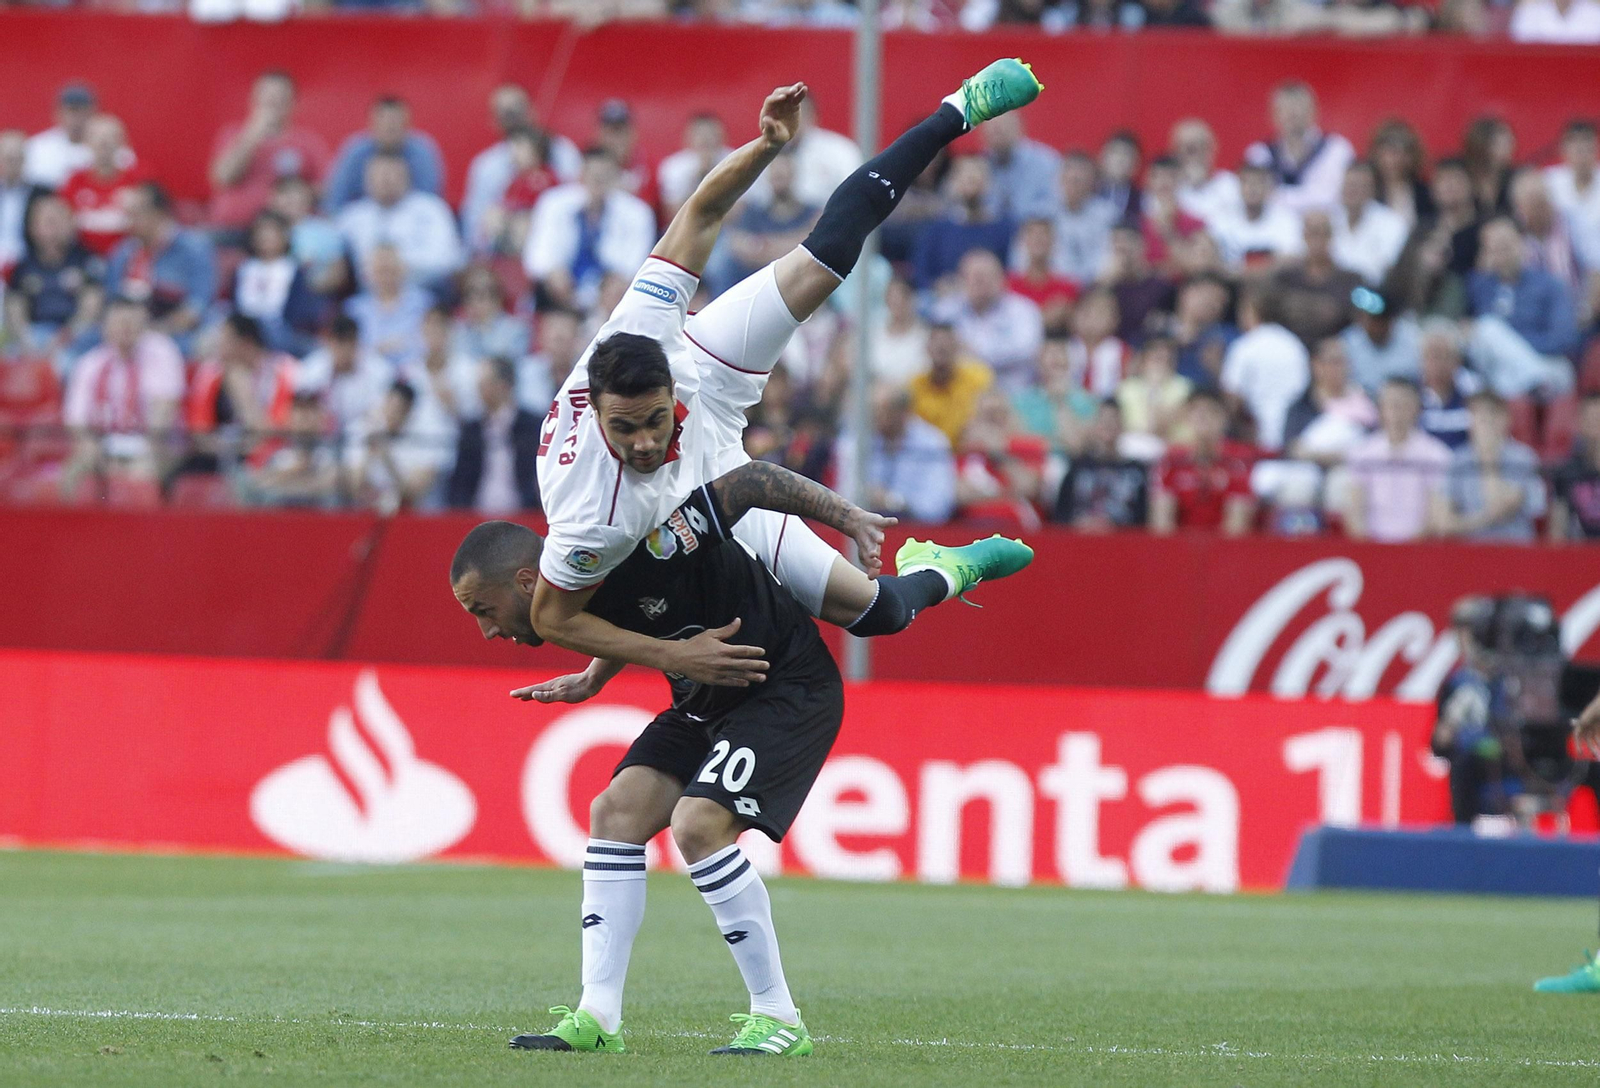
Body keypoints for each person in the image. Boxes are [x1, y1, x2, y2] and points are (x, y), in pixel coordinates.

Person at [531, 64, 1041, 705]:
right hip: (704, 485)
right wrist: (632, 665)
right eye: (623, 429)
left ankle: (957, 109)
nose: (640, 443)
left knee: (828, 256)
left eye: (650, 421)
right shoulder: (592, 512)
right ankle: (943, 567)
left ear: (663, 392)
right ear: (597, 416)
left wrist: (767, 144)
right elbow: (565, 612)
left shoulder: (644, 324)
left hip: (705, 375)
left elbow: (703, 209)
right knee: (879, 614)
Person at [448, 463, 890, 1058]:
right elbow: (624, 616)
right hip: (703, 697)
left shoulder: (643, 534)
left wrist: (848, 517)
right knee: (615, 813)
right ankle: (598, 1017)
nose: (485, 630)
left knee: (698, 824)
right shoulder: (578, 574)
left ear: (527, 580)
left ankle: (779, 1017)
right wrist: (595, 675)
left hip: (783, 686)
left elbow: (753, 480)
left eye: (483, 608)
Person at [60, 296, 184, 496]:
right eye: (120, 323)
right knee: (72, 474)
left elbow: (164, 411)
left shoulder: (162, 353)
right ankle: (70, 527)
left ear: (143, 325)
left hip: (153, 445)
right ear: (105, 326)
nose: (126, 329)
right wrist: (91, 447)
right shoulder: (89, 364)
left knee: (140, 476)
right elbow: (76, 420)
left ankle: (140, 526)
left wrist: (143, 450)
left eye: (132, 323)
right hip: (103, 445)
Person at [523, 147, 656, 313]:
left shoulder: (637, 212)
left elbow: (638, 264)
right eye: (594, 176)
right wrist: (552, 272)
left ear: (616, 176)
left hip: (611, 297)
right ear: (581, 174)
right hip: (561, 296)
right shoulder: (553, 203)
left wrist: (617, 282)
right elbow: (536, 255)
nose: (598, 182)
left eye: (604, 176)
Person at [1465, 217, 1578, 399]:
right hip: (1500, 372)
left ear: (1522, 245)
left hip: (1546, 363)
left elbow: (1563, 339)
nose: (1502, 255)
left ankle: (1533, 380)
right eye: (1494, 249)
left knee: (1490, 329)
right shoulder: (1479, 287)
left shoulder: (1550, 285)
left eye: (1506, 247)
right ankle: (1535, 381)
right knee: (1486, 329)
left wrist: (1513, 344)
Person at [461, 85, 582, 252]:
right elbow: (471, 229)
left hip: (556, 241)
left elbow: (577, 204)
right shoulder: (486, 165)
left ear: (533, 110)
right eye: (505, 113)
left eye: (517, 109)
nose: (513, 117)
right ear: (494, 121)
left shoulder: (562, 152)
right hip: (505, 249)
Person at [208, 70, 331, 233]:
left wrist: (296, 195)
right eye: (266, 99)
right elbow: (223, 178)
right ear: (253, 101)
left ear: (293, 104)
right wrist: (252, 136)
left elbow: (326, 188)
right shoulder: (232, 134)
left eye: (279, 100)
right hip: (233, 230)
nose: (272, 105)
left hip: (285, 234)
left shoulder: (309, 143)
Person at [104, 183, 217, 356]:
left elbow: (196, 307)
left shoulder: (194, 249)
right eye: (129, 214)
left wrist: (153, 332)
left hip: (176, 333)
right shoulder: (124, 252)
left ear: (159, 213)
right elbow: (112, 300)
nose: (130, 221)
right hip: (126, 333)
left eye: (137, 214)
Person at [1343, 377, 1452, 542]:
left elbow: (1436, 512)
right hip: (1371, 548)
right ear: (1381, 409)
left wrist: (1405, 549)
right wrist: (1370, 548)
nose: (1397, 412)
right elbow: (1355, 510)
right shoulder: (1362, 453)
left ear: (1417, 409)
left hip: (1419, 548)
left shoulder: (1436, 454)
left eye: (1404, 405)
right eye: (1391, 404)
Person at [1430, 390, 1547, 543]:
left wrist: (1488, 459)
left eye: (1492, 415)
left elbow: (1500, 504)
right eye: (1478, 415)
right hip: (1471, 554)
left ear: (1506, 419)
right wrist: (1480, 520)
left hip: (1515, 551)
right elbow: (1443, 523)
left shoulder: (1524, 458)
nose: (1485, 421)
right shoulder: (1458, 461)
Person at [335, 152, 463, 289]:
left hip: (424, 293)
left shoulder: (431, 209)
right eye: (379, 175)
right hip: (366, 297)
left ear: (407, 177)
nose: (385, 181)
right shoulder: (352, 216)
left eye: (391, 174)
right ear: (366, 181)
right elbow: (329, 250)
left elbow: (448, 260)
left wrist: (394, 267)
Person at [4, 192, 104, 363]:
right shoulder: (23, 267)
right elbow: (14, 310)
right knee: (11, 362)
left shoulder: (86, 261)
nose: (57, 226)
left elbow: (91, 310)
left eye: (61, 219)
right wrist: (26, 342)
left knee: (66, 363)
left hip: (76, 338)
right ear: (32, 227)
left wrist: (62, 339)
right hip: (34, 336)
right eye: (49, 221)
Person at [931, 248, 1043, 390]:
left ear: (1001, 278)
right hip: (959, 397)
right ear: (961, 279)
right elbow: (936, 352)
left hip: (1014, 394)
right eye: (974, 277)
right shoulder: (945, 311)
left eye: (986, 276)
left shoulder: (1023, 310)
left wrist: (971, 351)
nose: (980, 282)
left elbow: (1025, 350)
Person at [1150, 388, 1256, 536]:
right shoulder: (1172, 461)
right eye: (1196, 411)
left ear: (1223, 419)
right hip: (1179, 550)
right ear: (1187, 418)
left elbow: (1236, 527)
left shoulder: (1238, 462)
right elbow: (1162, 525)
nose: (1203, 417)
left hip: (1223, 552)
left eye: (1210, 411)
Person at [1243, 81, 1356, 215]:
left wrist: (1279, 196)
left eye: (1299, 107)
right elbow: (1254, 200)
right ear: (1273, 115)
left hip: (1324, 231)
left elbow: (1333, 199)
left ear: (1314, 112)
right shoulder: (1259, 155)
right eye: (1286, 109)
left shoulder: (1337, 151)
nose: (1293, 114)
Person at [447, 356, 541, 514]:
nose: (479, 390)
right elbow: (460, 482)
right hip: (475, 516)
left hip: (524, 516)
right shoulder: (472, 430)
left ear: (504, 385)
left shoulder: (532, 426)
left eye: (485, 384)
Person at [1222, 290, 1310, 452]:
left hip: (1258, 434)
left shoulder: (1245, 346)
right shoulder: (1295, 345)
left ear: (1252, 311)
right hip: (1297, 432)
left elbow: (1232, 397)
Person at [323, 95, 444, 212]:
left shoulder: (422, 154)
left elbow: (429, 200)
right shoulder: (355, 153)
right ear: (371, 123)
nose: (390, 127)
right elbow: (337, 199)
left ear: (408, 124)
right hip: (363, 220)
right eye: (384, 122)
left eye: (395, 123)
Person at [911, 155, 1014, 291]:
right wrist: (937, 286)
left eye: (976, 179)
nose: (971, 186)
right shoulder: (937, 230)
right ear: (953, 184)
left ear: (989, 184)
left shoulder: (1005, 229)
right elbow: (921, 273)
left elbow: (1013, 272)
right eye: (965, 179)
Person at [230, 210, 324, 355]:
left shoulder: (292, 269)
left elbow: (300, 310)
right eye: (261, 232)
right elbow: (236, 304)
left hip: (279, 329)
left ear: (284, 237)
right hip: (244, 328)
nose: (266, 237)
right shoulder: (244, 269)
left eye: (272, 232)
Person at [1268, 210, 1363, 349]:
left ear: (1331, 236)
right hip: (1291, 350)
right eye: (1312, 232)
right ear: (1304, 235)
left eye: (1323, 232)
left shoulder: (1350, 280)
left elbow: (1352, 318)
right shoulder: (1285, 278)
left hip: (1335, 353)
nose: (1317, 239)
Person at [1052, 398, 1149, 529]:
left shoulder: (1136, 470)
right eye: (1103, 420)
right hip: (1079, 541)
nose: (1108, 425)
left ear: (1122, 426)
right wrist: (1081, 524)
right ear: (1094, 425)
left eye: (1114, 420)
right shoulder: (1077, 467)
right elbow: (1060, 514)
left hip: (1122, 543)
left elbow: (1143, 519)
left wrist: (1113, 525)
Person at [58, 114, 142, 258]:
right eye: (97, 138)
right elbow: (62, 224)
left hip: (127, 259)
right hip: (82, 258)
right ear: (86, 142)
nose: (104, 143)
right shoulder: (74, 181)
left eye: (111, 138)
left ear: (123, 142)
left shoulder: (137, 181)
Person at [295, 314, 392, 434]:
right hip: (321, 440)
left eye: (349, 343)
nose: (344, 350)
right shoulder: (311, 369)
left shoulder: (379, 371)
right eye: (339, 343)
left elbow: (379, 415)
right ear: (329, 342)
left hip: (362, 439)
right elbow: (300, 412)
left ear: (357, 343)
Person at [25, 83, 127, 190]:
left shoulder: (113, 147)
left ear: (94, 112)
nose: (78, 118)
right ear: (58, 113)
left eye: (83, 111)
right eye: (72, 111)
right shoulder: (38, 148)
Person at [908, 322, 994, 445]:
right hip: (927, 456)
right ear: (927, 348)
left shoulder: (978, 379)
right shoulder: (914, 386)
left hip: (968, 452)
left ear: (957, 347)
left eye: (947, 345)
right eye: (937, 346)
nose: (942, 348)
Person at [1207, 163, 1302, 272]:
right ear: (1238, 187)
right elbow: (1212, 258)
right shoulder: (1222, 219)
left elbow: (1293, 257)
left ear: (1269, 188)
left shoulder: (1287, 219)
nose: (1252, 188)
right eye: (1247, 183)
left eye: (1258, 183)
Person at [1330, 161, 1408, 286]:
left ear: (1373, 190)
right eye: (1349, 185)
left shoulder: (1392, 223)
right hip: (1332, 292)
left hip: (1373, 293)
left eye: (1359, 186)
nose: (1352, 191)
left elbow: (1387, 270)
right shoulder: (1329, 219)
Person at [1050, 150, 1118, 287]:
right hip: (1052, 289)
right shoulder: (1043, 214)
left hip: (1098, 287)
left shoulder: (1109, 215)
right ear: (1059, 179)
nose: (1074, 184)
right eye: (1069, 179)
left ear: (1093, 182)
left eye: (1079, 180)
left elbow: (1112, 257)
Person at [980, 111, 1060, 223]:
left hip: (1034, 231)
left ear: (1019, 128)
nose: (996, 133)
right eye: (992, 129)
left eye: (1002, 127)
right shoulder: (979, 164)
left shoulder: (1045, 162)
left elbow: (1056, 205)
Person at [1341, 286, 1422, 395]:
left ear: (1390, 321)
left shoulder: (1414, 340)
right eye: (1366, 318)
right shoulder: (1349, 341)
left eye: (1376, 321)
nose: (1370, 326)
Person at [1170, 118, 1242, 231]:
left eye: (1200, 148)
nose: (1193, 156)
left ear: (1212, 150)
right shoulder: (1168, 190)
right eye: (1188, 149)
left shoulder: (1231, 185)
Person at [657, 113, 733, 221]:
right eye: (700, 134)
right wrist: (699, 175)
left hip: (727, 228)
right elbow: (674, 214)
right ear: (688, 138)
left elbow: (737, 212)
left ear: (722, 136)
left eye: (711, 134)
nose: (706, 139)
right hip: (688, 228)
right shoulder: (673, 167)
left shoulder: (735, 159)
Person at [1549, 391, 1600, 541]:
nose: (1596, 428)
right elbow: (1557, 530)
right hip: (1580, 555)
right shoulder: (1566, 472)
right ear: (1580, 424)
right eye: (1590, 420)